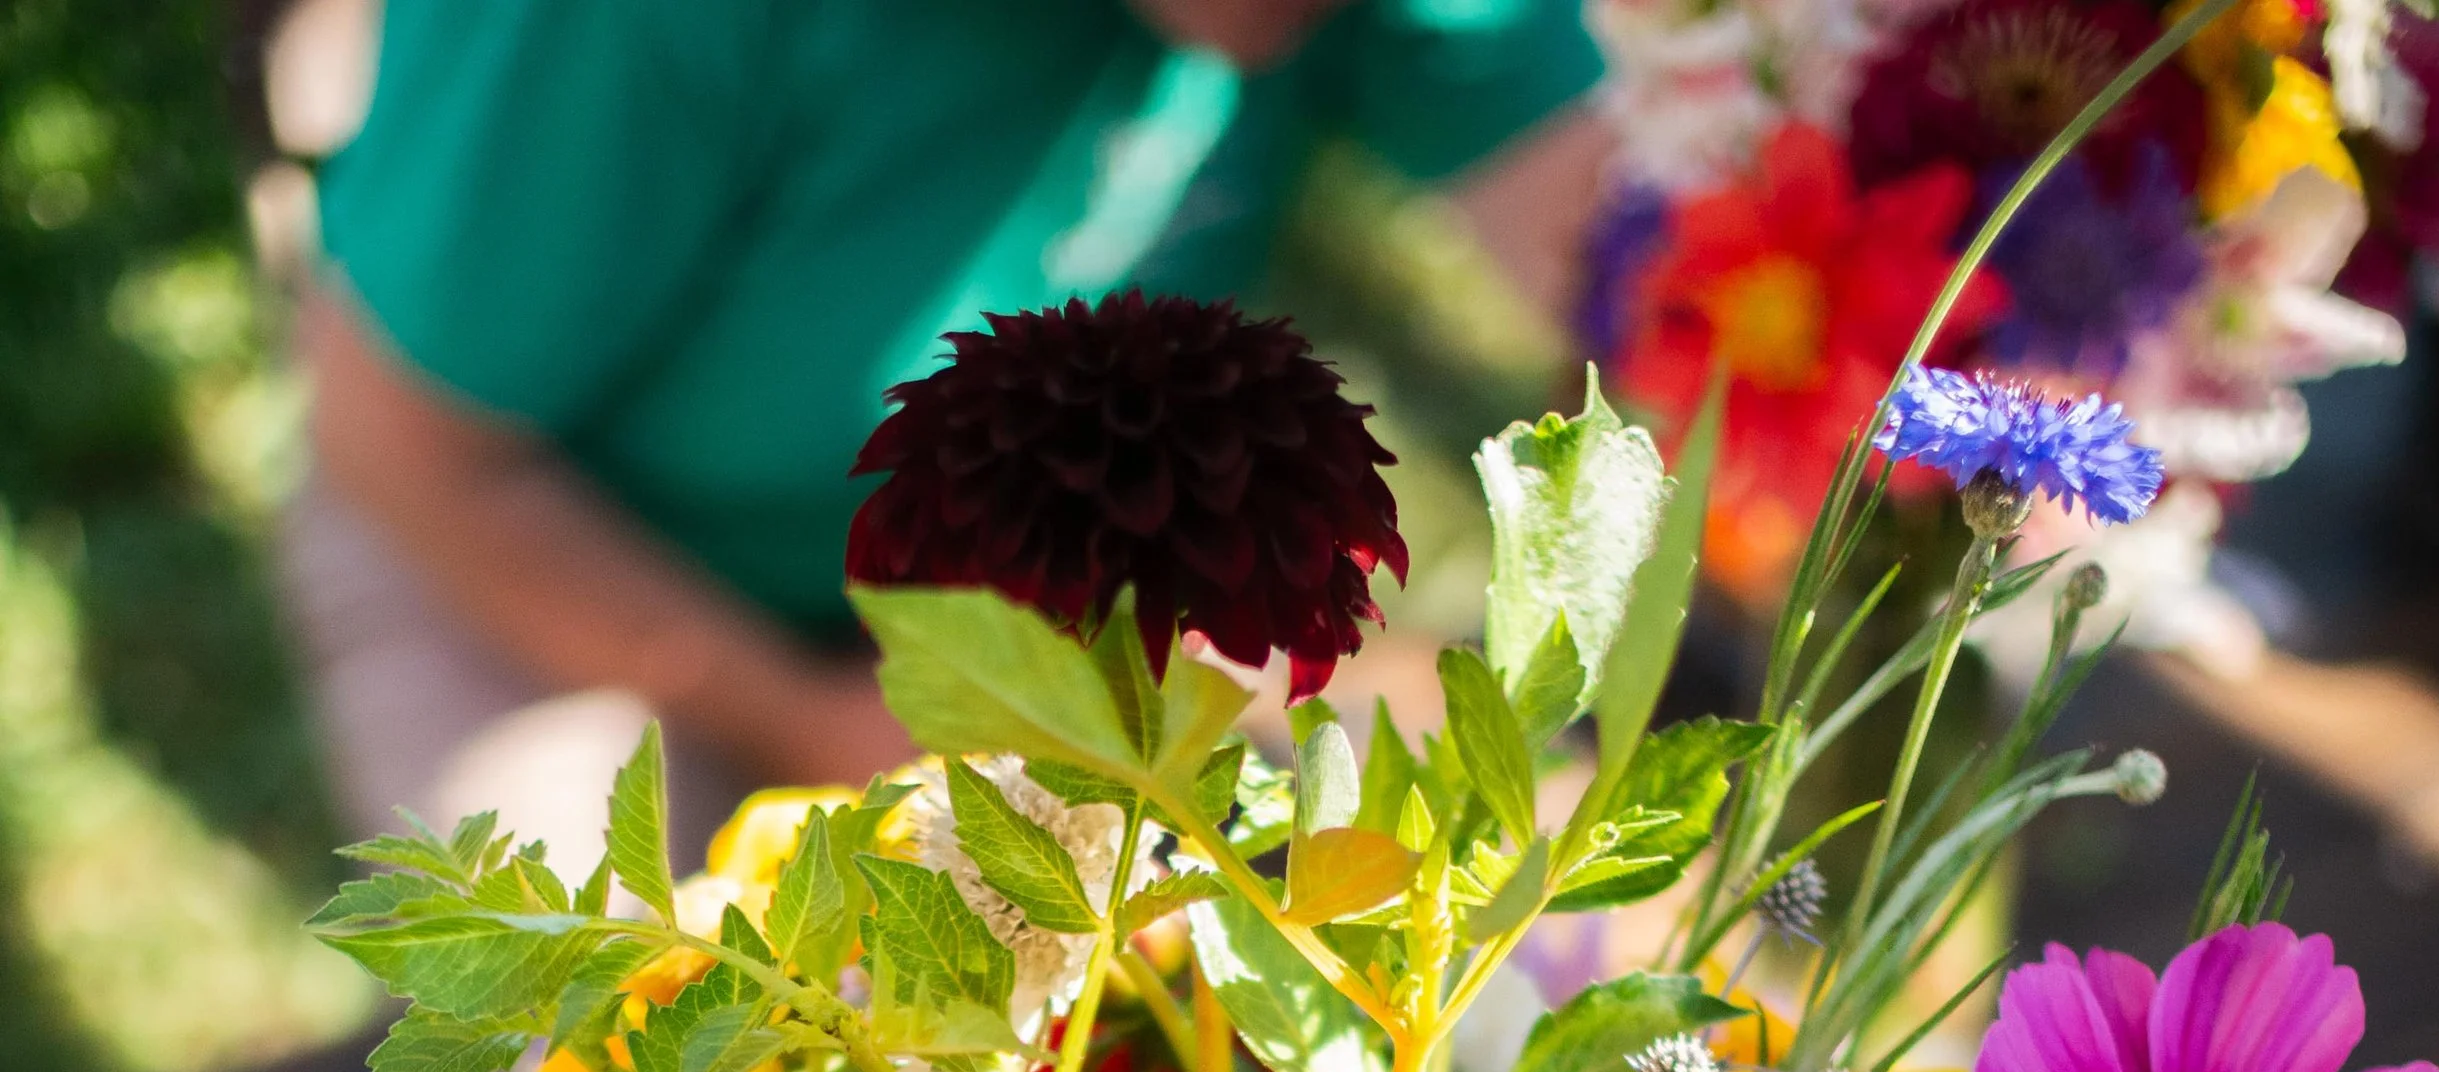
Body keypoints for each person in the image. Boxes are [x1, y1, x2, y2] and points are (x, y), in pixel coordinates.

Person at [289, 0, 1606, 871]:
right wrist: (816, 725)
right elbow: (409, 451)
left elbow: (1638, 261)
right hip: (545, 550)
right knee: (618, 1063)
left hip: (1022, 594)